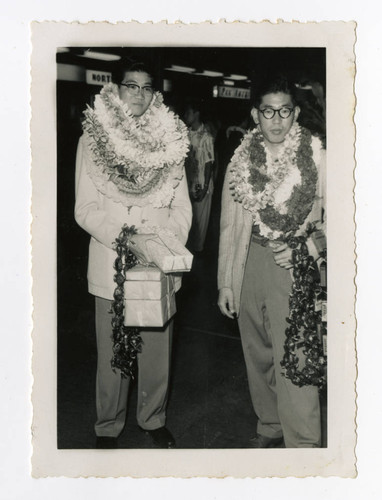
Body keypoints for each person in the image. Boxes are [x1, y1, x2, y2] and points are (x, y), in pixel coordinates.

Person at [74, 60, 192, 449]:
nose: (138, 94)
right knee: (112, 353)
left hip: (157, 265)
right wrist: (128, 240)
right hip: (112, 263)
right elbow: (85, 210)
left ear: (155, 94)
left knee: (157, 352)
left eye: (146, 87)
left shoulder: (173, 140)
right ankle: (108, 425)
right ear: (116, 90)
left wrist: (159, 243)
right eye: (131, 86)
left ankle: (153, 418)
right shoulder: (92, 140)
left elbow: (182, 209)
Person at [217, 74, 326, 448]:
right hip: (250, 260)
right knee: (257, 351)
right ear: (255, 114)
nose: (276, 120)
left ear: (295, 114)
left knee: (295, 353)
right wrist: (226, 282)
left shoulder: (316, 155)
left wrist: (305, 249)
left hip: (292, 264)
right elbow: (229, 226)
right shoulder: (239, 161)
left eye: (284, 111)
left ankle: (304, 443)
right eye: (268, 111)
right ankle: (269, 425)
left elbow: (343, 217)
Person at [184, 100, 215, 253]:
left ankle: (198, 259)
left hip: (202, 184)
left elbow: (209, 163)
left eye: (189, 112)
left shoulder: (206, 137)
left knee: (200, 225)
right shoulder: (186, 134)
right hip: (188, 184)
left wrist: (204, 188)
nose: (186, 116)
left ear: (196, 114)